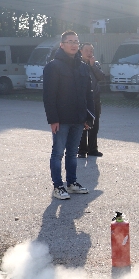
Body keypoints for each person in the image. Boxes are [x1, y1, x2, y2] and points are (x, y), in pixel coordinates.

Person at [43, 31, 95, 200]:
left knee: (72, 154)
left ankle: (71, 183)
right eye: (70, 41)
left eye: (76, 41)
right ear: (62, 45)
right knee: (58, 153)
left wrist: (89, 117)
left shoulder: (83, 67)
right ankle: (58, 186)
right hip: (61, 119)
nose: (74, 44)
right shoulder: (53, 66)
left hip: (79, 119)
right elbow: (49, 95)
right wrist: (53, 119)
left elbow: (88, 94)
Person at [77, 42, 106, 158]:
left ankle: (93, 149)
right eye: (87, 50)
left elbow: (101, 78)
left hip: (95, 99)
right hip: (82, 100)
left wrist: (93, 65)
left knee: (95, 124)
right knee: (82, 125)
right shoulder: (77, 64)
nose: (89, 53)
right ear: (81, 51)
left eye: (91, 51)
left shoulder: (96, 64)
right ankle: (82, 150)